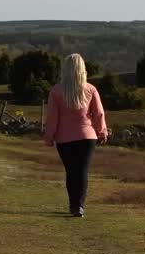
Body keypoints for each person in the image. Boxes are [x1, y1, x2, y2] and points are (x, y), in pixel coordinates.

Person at [42, 53, 107, 217]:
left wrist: (49, 137)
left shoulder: (56, 91)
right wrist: (102, 132)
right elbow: (98, 114)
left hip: (65, 139)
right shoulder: (90, 89)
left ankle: (73, 205)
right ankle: (79, 205)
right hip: (87, 137)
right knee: (82, 170)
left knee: (71, 172)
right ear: (82, 69)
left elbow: (52, 118)